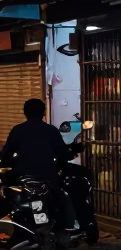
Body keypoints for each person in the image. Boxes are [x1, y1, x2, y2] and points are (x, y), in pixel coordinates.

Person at [0, 98, 79, 229]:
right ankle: (68, 229)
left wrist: (13, 162)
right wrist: (73, 151)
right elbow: (64, 154)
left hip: (24, 178)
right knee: (64, 201)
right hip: (47, 178)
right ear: (43, 113)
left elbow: (5, 155)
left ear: (25, 112)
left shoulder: (17, 130)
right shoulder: (51, 131)